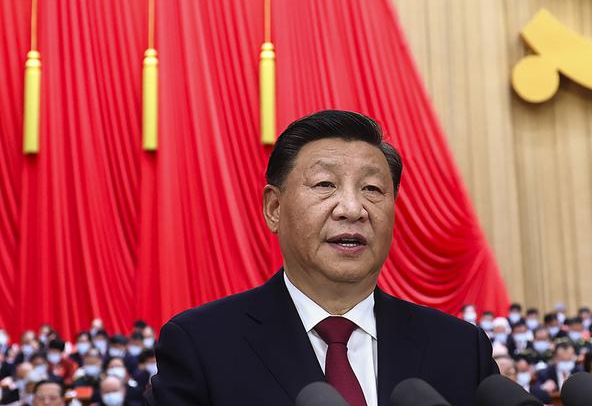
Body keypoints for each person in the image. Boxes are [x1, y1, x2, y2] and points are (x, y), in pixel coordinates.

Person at [148, 111, 498, 406]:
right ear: (274, 208)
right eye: (324, 185)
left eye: (372, 189)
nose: (352, 209)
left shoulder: (460, 349)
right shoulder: (203, 344)